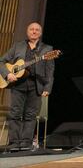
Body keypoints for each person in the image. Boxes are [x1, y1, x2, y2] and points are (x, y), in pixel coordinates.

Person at [0, 22, 55, 150]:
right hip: (18, 85)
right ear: (27, 31)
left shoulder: (47, 49)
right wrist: (7, 74)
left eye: (37, 30)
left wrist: (47, 87)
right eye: (31, 29)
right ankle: (14, 142)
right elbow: (2, 61)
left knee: (30, 115)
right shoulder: (17, 46)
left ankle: (26, 143)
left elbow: (50, 71)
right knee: (15, 113)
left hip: (36, 85)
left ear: (40, 33)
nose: (34, 31)